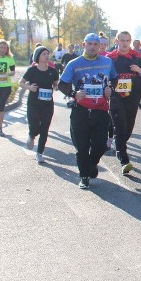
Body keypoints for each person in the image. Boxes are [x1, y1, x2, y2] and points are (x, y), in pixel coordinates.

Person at [58, 33, 116, 189]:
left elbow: (115, 79)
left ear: (99, 46)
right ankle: (84, 176)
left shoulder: (107, 62)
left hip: (101, 111)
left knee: (99, 146)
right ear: (83, 45)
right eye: (89, 44)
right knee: (82, 147)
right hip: (80, 111)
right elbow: (62, 85)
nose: (92, 47)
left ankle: (92, 163)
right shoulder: (74, 64)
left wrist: (111, 89)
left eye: (95, 44)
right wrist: (73, 94)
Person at [107, 31, 141, 174]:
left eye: (127, 40)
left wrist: (140, 71)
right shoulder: (110, 58)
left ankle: (118, 144)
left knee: (127, 129)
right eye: (122, 40)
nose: (125, 43)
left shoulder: (137, 57)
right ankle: (123, 159)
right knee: (119, 128)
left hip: (133, 98)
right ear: (116, 41)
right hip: (116, 97)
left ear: (130, 41)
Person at [19, 46, 60, 163]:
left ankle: (40, 152)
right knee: (35, 127)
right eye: (44, 54)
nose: (47, 56)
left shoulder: (53, 71)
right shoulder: (32, 70)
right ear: (37, 56)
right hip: (33, 104)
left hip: (47, 104)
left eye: (47, 54)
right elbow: (20, 83)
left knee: (45, 129)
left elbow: (55, 83)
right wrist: (29, 87)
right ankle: (32, 135)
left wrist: (56, 86)